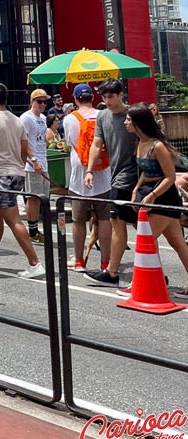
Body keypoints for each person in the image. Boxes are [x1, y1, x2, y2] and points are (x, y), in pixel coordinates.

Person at [117, 103, 188, 299]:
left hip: (163, 197)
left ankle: (139, 283)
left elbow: (170, 176)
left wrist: (151, 195)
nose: (125, 123)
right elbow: (145, 173)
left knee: (145, 239)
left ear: (139, 122)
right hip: (150, 194)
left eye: (129, 120)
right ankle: (152, 279)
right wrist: (136, 189)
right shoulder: (140, 143)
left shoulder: (158, 146)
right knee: (177, 242)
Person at [0, 82, 45, 277]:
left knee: (13, 220)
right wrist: (28, 161)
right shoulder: (17, 120)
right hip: (17, 171)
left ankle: (34, 262)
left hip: (2, 174)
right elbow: (24, 148)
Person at [84, 79, 136, 286]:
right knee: (142, 226)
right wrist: (89, 170)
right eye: (104, 98)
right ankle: (151, 269)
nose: (107, 101)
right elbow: (97, 144)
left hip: (130, 175)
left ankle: (112, 272)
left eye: (111, 97)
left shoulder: (132, 115)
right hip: (117, 175)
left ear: (121, 94)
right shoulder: (103, 116)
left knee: (119, 224)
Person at [63, 83, 111, 273]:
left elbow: (69, 143)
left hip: (79, 175)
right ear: (93, 97)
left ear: (75, 99)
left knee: (78, 220)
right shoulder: (103, 115)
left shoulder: (69, 119)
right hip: (103, 174)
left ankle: (80, 261)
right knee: (105, 219)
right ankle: (106, 262)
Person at [20, 89, 51, 243]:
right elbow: (23, 141)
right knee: (33, 197)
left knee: (42, 197)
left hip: (43, 160)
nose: (42, 104)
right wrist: (33, 160)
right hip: (32, 164)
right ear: (32, 101)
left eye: (45, 101)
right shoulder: (26, 118)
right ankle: (32, 231)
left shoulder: (43, 118)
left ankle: (37, 228)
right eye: (39, 101)